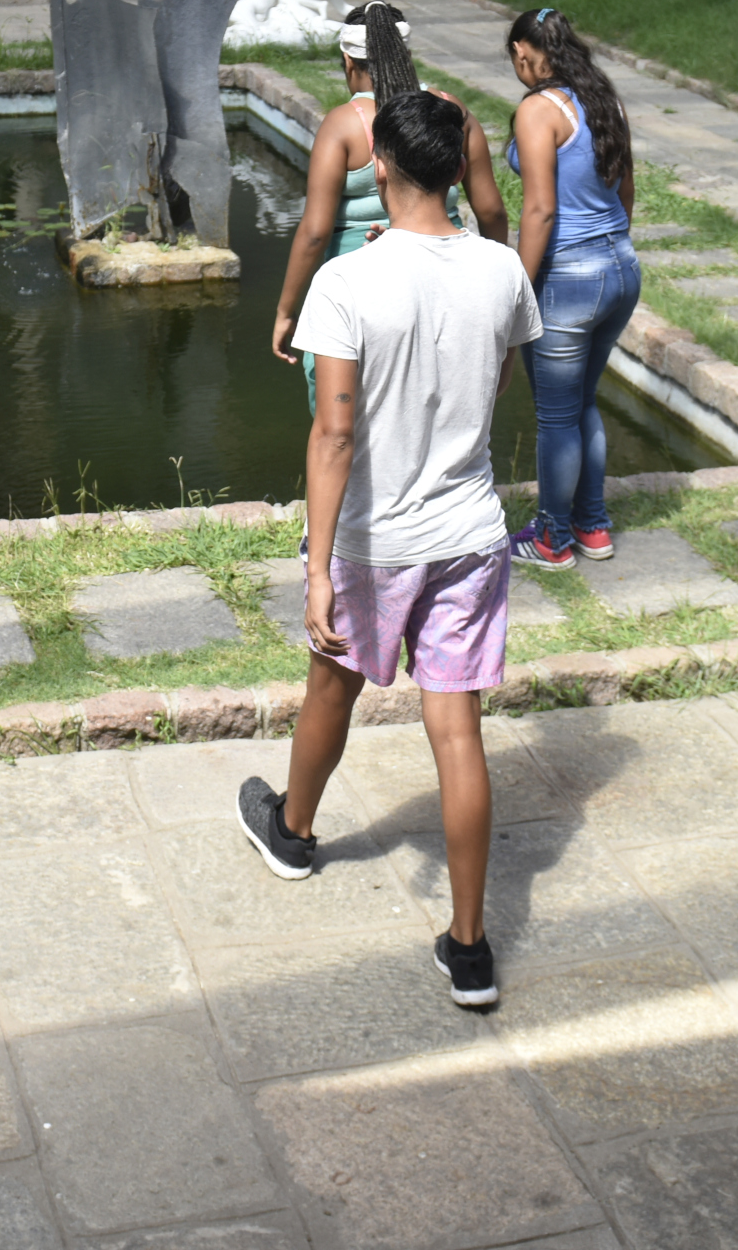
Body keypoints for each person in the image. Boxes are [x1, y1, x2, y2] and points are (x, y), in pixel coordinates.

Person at [236, 89, 541, 1011]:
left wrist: (318, 567)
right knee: (458, 732)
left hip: (377, 539)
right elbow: (492, 379)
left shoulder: (347, 283)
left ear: (381, 168)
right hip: (471, 532)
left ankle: (292, 833)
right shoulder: (501, 272)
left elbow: (333, 437)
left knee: (333, 684)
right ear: (456, 169)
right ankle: (471, 946)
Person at [270, 1, 507, 392]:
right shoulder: (450, 112)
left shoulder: (343, 125)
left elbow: (315, 232)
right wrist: (498, 274)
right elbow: (491, 210)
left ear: (348, 60)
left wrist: (285, 310)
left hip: (356, 287)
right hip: (446, 280)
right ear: (406, 53)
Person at [502, 7, 639, 570]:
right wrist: (611, 250)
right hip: (620, 268)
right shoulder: (604, 100)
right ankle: (593, 527)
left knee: (557, 417)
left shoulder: (539, 111)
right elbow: (626, 189)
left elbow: (538, 211)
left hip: (567, 278)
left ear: (523, 53)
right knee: (584, 404)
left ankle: (553, 538)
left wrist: (517, 289)